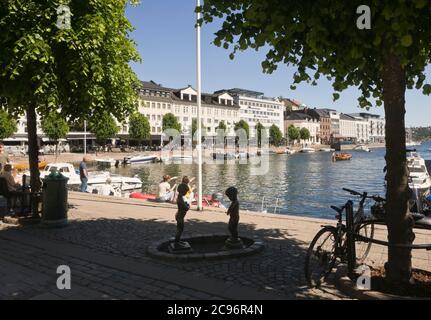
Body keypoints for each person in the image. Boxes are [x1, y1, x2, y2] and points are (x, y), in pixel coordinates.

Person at [174, 183, 190, 247]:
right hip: (180, 217)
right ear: (183, 191)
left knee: (180, 229)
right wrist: (188, 206)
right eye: (186, 192)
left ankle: (178, 240)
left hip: (180, 216)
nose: (186, 193)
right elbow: (186, 208)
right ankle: (176, 242)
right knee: (180, 230)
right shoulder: (180, 199)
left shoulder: (180, 197)